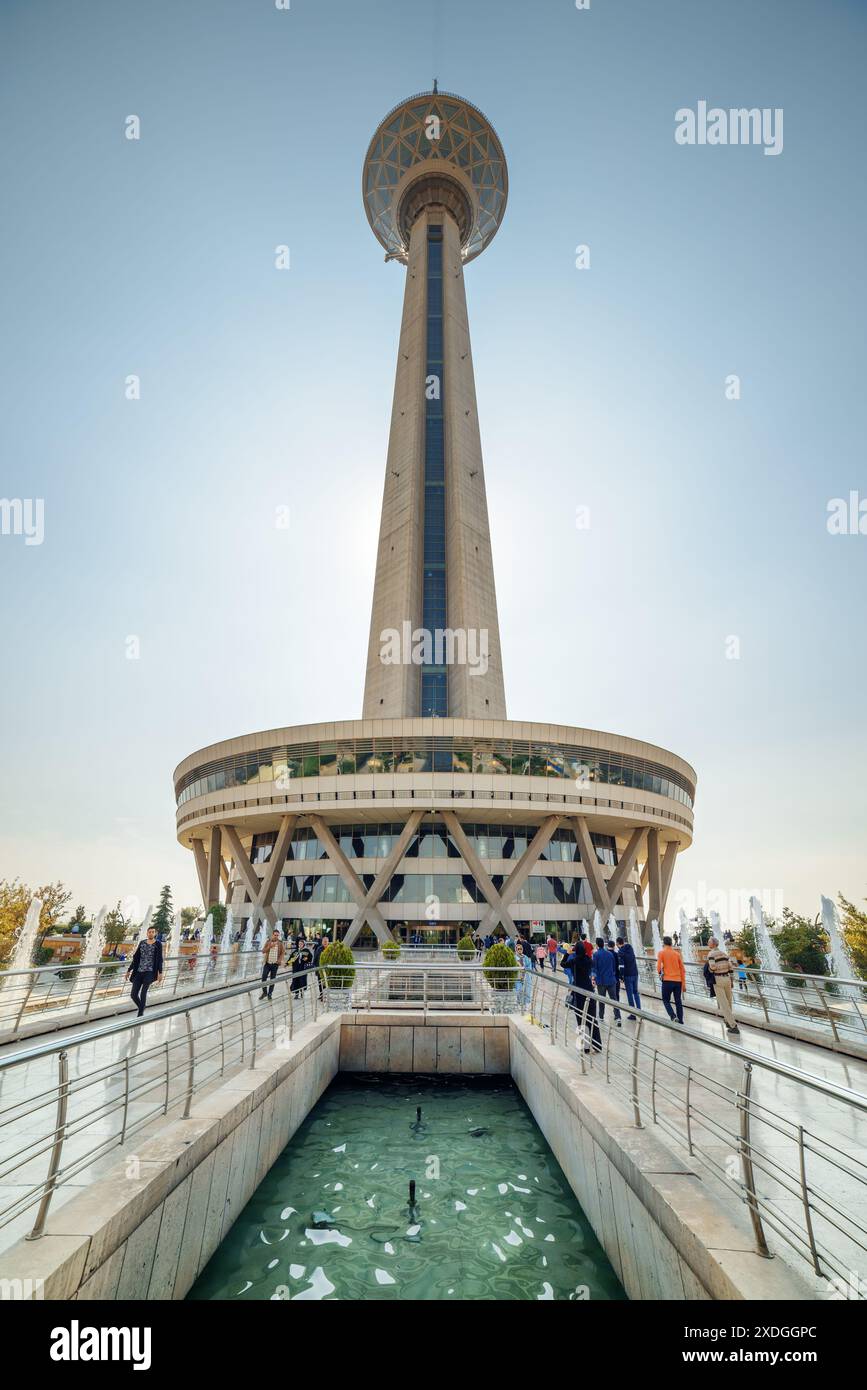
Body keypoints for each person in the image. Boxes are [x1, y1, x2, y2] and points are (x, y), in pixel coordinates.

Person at [564, 941, 601, 1053]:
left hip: (578, 992)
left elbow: (563, 964)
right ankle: (597, 1045)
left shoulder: (574, 961)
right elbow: (593, 966)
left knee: (581, 1019)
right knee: (592, 1019)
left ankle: (585, 1047)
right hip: (589, 991)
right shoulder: (589, 960)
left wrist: (567, 953)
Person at [126, 925, 164, 1017]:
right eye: (149, 932)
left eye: (153, 932)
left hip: (150, 972)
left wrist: (160, 972)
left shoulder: (158, 944)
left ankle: (140, 1015)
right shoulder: (142, 942)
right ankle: (142, 1006)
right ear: (147, 933)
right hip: (139, 971)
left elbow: (160, 959)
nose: (151, 933)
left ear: (155, 933)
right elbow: (136, 958)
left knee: (143, 992)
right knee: (133, 994)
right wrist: (129, 970)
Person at [705, 936, 740, 1034]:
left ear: (713, 944)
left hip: (718, 979)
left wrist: (709, 969)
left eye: (709, 942)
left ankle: (733, 1026)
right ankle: (727, 1021)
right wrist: (731, 980)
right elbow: (731, 967)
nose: (708, 943)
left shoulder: (711, 954)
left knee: (724, 1004)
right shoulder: (724, 954)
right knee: (729, 1002)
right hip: (727, 979)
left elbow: (712, 967)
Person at [657, 936, 686, 1023]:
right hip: (678, 981)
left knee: (666, 1000)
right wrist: (683, 984)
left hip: (667, 980)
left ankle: (673, 1016)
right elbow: (682, 969)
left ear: (664, 943)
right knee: (678, 1001)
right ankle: (680, 1021)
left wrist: (660, 974)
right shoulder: (677, 954)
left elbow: (658, 967)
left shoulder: (661, 953)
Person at [592, 937, 621, 1025]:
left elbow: (594, 968)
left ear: (597, 945)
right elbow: (614, 967)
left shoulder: (596, 955)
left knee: (602, 1000)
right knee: (614, 999)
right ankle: (618, 1017)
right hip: (611, 980)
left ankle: (601, 1017)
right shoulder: (610, 954)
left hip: (601, 981)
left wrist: (593, 979)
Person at [615, 936, 641, 1014]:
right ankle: (639, 1011)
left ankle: (633, 1013)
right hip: (635, 973)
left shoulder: (620, 952)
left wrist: (621, 977)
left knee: (630, 994)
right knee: (636, 992)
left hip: (628, 975)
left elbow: (621, 966)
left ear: (618, 943)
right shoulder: (630, 948)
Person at [260, 927, 286, 1000]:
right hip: (267, 963)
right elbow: (263, 951)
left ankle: (270, 994)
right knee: (264, 977)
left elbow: (283, 952)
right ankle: (264, 992)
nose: (276, 936)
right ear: (272, 935)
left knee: (272, 979)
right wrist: (270, 946)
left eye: (277, 935)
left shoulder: (280, 943)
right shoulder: (268, 942)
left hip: (275, 964)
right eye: (275, 935)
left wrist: (279, 960)